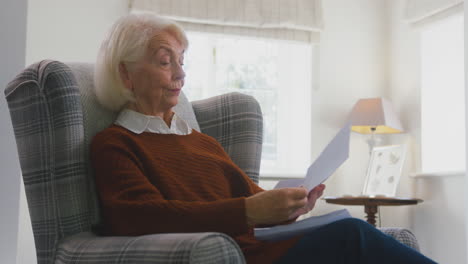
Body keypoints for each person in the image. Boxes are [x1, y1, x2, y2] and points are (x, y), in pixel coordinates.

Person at [90, 12, 436, 264]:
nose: (181, 73)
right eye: (165, 61)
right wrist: (248, 211)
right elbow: (142, 217)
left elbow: (254, 204)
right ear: (126, 73)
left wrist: (291, 206)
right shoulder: (115, 144)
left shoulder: (201, 142)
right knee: (353, 236)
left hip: (265, 249)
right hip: (244, 258)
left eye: (181, 61)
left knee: (354, 233)